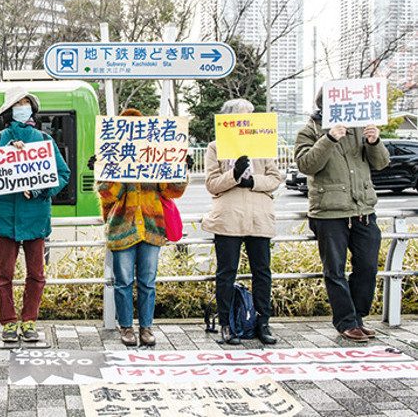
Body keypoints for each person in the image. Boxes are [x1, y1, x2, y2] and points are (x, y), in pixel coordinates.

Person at [0, 86, 71, 343]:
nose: (22, 107)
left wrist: (40, 188)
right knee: (4, 275)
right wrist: (6, 154)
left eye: (26, 102)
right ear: (9, 111)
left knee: (36, 274)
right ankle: (8, 323)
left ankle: (29, 321)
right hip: (6, 217)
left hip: (36, 216)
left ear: (32, 109)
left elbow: (62, 175)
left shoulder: (44, 140)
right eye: (17, 103)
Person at [295, 90, 389, 342]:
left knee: (368, 267)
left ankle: (358, 317)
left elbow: (381, 164)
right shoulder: (310, 130)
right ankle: (346, 321)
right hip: (329, 211)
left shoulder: (361, 128)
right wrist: (329, 139)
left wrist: (374, 142)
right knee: (334, 270)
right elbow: (306, 165)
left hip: (363, 210)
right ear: (325, 106)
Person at [94, 108, 187, 347]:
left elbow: (172, 190)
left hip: (151, 227)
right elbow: (108, 194)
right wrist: (104, 168)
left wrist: (180, 166)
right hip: (122, 227)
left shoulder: (155, 155)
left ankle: (146, 327)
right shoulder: (112, 156)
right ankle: (126, 327)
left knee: (147, 281)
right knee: (123, 282)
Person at [201, 99, 280, 345]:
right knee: (226, 272)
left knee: (262, 272)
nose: (246, 122)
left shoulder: (262, 144)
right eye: (242, 117)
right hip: (228, 217)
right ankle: (226, 323)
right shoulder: (216, 147)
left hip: (258, 217)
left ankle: (263, 322)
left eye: (250, 117)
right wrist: (234, 176)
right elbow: (212, 184)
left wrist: (251, 181)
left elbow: (275, 178)